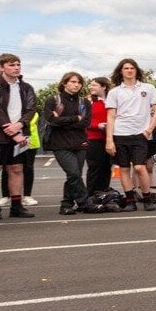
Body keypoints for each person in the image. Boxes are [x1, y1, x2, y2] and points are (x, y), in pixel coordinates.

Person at [0, 52, 36, 218]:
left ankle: (16, 206)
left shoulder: (26, 87)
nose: (16, 68)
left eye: (18, 64)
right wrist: (12, 132)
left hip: (21, 134)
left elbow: (31, 109)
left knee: (17, 169)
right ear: (1, 67)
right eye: (11, 65)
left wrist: (20, 125)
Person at [105, 58, 156, 212]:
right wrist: (109, 139)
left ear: (136, 70)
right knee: (123, 169)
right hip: (120, 134)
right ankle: (130, 200)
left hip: (140, 134)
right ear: (121, 71)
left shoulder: (148, 88)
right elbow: (110, 116)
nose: (129, 70)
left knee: (139, 167)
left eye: (132, 68)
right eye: (126, 68)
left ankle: (147, 198)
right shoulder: (114, 92)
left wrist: (149, 130)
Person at [42, 72, 91, 215]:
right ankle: (85, 202)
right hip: (60, 143)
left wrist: (63, 121)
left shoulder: (84, 102)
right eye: (73, 81)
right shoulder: (53, 100)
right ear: (64, 83)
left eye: (79, 82)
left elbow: (85, 123)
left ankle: (66, 204)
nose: (76, 85)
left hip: (79, 142)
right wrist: (76, 118)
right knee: (74, 173)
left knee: (74, 175)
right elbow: (51, 120)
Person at [84, 76, 112, 202]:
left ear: (104, 87)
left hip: (109, 139)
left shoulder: (112, 101)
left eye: (94, 85)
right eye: (90, 84)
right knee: (95, 168)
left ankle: (104, 194)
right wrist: (98, 125)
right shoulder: (88, 101)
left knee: (106, 168)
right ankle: (90, 196)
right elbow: (84, 120)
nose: (91, 87)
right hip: (93, 139)